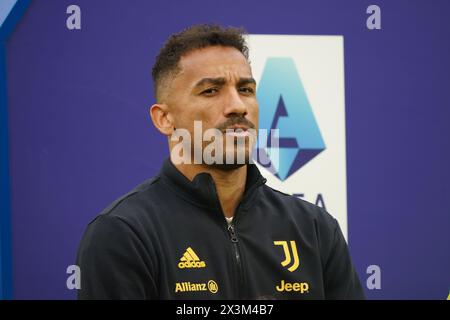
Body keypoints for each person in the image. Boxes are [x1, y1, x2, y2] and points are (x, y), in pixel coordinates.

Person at [76, 24, 365, 299]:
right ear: (164, 119)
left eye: (246, 89)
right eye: (211, 91)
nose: (237, 106)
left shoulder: (315, 229)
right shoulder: (124, 233)